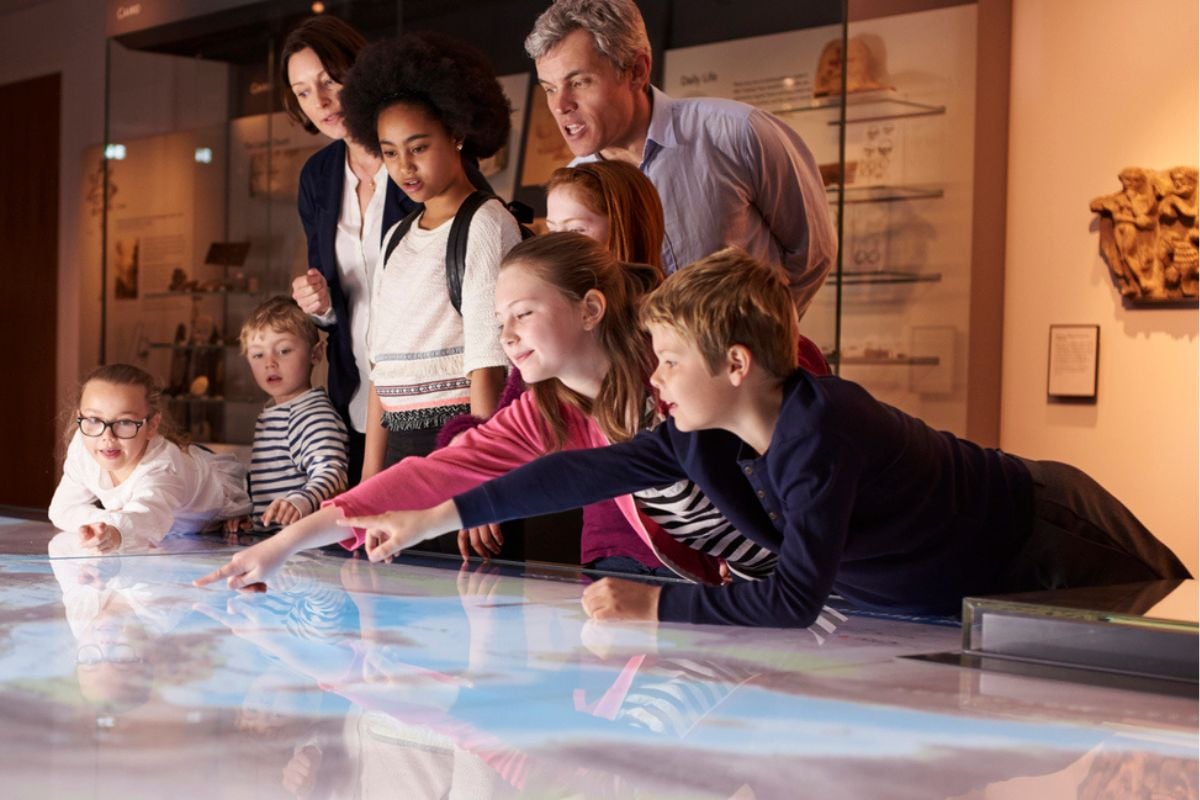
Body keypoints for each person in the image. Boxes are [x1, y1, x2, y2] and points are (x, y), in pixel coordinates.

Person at [344, 248, 1192, 628]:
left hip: (1055, 536)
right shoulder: (692, 435)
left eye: (670, 360)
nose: (657, 380)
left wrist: (656, 604)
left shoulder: (826, 433)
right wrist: (427, 521)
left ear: (737, 363)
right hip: (956, 594)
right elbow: (568, 478)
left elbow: (794, 599)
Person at [195, 233, 740, 592]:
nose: (506, 336)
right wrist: (284, 545)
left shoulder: (675, 369)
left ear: (590, 308)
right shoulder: (547, 411)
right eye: (501, 319)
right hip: (731, 590)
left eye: (524, 314)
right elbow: (428, 476)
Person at [525, 0, 836, 313]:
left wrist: (764, 337)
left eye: (578, 82)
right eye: (550, 88)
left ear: (637, 70)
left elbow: (812, 253)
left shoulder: (737, 132)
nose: (560, 105)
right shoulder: (574, 183)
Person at [337, 34, 515, 499]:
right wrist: (369, 480)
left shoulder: (486, 222)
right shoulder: (397, 235)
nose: (404, 167)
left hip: (459, 438)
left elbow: (488, 363)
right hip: (396, 444)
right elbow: (382, 369)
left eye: (418, 147)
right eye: (390, 151)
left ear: (456, 133)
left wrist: (479, 480)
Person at [283, 16, 414, 486]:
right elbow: (334, 295)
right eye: (301, 92)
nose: (318, 101)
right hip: (354, 390)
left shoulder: (414, 151)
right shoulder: (317, 176)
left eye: (327, 80)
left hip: (426, 392)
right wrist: (318, 305)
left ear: (357, 71)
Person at [49, 364, 252, 552]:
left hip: (213, 495)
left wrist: (115, 530)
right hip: (170, 518)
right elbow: (60, 509)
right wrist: (106, 522)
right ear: (81, 416)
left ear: (152, 425)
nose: (106, 436)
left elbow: (147, 518)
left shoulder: (162, 467)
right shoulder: (84, 443)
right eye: (94, 419)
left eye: (125, 422)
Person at [234, 296, 349, 531]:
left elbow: (333, 472)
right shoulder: (274, 413)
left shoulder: (312, 415)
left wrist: (300, 501)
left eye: (284, 350)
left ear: (316, 354)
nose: (270, 363)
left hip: (306, 552)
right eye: (258, 355)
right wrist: (253, 519)